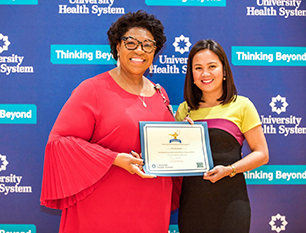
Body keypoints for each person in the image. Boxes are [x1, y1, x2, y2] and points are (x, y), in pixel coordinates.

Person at [40, 10, 174, 233]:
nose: (139, 50)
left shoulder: (160, 93)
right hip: (103, 208)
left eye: (148, 44)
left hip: (152, 205)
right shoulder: (92, 89)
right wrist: (114, 159)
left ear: (155, 51)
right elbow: (59, 142)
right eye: (131, 42)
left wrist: (185, 136)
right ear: (117, 47)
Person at [175, 39, 269, 233]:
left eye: (212, 66)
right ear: (191, 74)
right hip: (192, 203)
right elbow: (176, 159)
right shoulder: (184, 110)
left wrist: (229, 170)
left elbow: (262, 154)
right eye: (198, 68)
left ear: (224, 71)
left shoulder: (242, 105)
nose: (205, 73)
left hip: (231, 202)